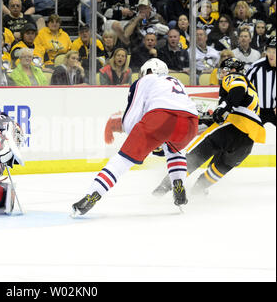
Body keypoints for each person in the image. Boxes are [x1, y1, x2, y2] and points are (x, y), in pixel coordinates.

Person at [72, 58, 199, 216]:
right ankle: (178, 183)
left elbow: (132, 115)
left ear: (147, 71)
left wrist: (138, 139)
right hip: (191, 123)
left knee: (122, 160)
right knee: (175, 150)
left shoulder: (146, 80)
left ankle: (92, 195)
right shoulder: (176, 81)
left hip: (162, 117)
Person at [152, 58, 266, 197]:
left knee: (194, 156)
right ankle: (198, 189)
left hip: (232, 127)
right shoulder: (251, 89)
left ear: (233, 70)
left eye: (224, 70)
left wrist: (224, 107)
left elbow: (238, 90)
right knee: (223, 166)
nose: (223, 74)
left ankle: (164, 187)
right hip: (248, 141)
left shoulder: (234, 77)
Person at [246, 36, 276, 125]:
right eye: (269, 51)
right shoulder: (256, 66)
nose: (271, 54)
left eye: (274, 52)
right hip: (257, 111)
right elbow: (244, 84)